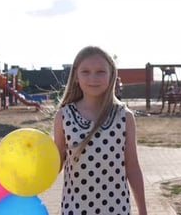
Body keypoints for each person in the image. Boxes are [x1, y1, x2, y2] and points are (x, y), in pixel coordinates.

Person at [53, 46, 147, 215]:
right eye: (86, 72)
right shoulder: (63, 116)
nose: (93, 78)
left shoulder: (124, 117)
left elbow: (133, 168)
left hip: (116, 210)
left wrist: (143, 211)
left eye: (101, 72)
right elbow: (55, 164)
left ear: (112, 75)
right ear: (75, 76)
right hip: (75, 210)